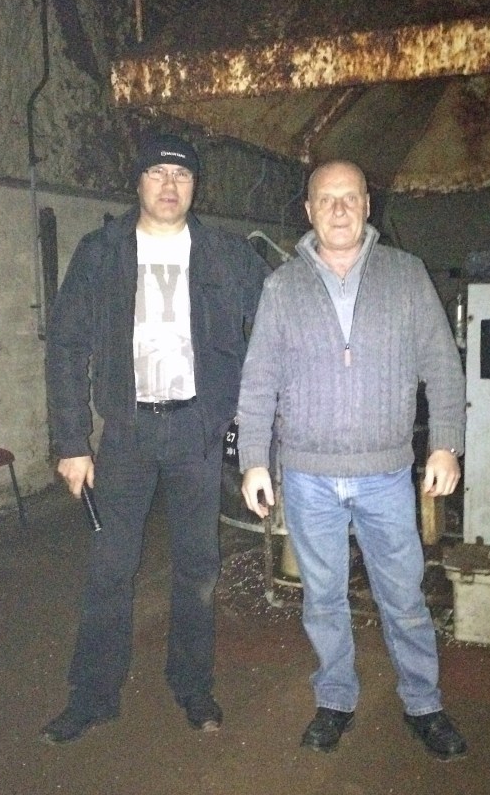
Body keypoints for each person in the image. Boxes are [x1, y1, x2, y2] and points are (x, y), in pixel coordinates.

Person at [41, 133, 269, 744]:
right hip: (129, 432)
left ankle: (192, 687)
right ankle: (92, 696)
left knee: (198, 566)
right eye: (158, 172)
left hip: (197, 431)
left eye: (182, 175)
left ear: (195, 187)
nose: (170, 185)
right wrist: (71, 440)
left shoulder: (225, 255)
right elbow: (66, 347)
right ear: (138, 181)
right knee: (111, 568)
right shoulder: (101, 254)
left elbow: (276, 321)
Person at [237, 160, 467, 761]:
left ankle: (424, 703)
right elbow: (258, 380)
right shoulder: (282, 286)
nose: (338, 209)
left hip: (386, 474)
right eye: (325, 199)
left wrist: (445, 441)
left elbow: (442, 365)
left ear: (368, 206)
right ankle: (335, 698)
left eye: (349, 198)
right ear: (308, 211)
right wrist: (254, 460)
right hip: (307, 475)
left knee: (404, 595)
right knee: (322, 597)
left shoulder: (406, 274)